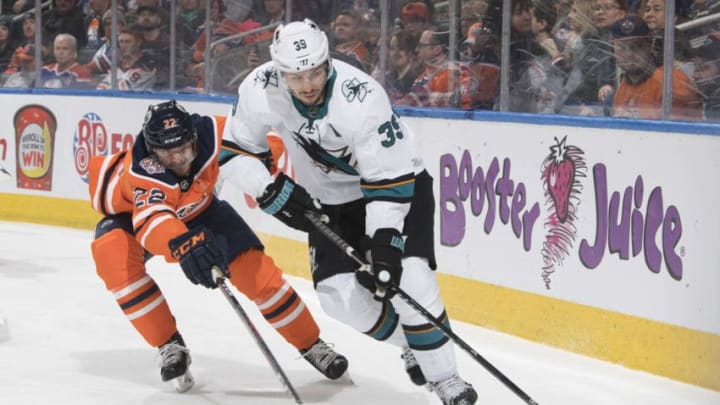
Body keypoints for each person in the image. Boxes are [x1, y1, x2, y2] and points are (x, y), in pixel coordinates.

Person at [220, 19, 478, 405]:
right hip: (333, 201)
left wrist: (385, 243)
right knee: (338, 297)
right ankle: (415, 344)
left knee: (411, 279)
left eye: (315, 73)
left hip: (398, 185)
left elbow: (386, 181)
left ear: (327, 62)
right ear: (279, 72)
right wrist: (269, 189)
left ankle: (445, 378)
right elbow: (235, 151)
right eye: (296, 76)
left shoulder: (361, 97)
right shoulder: (260, 88)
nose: (307, 85)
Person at [87, 100, 349, 391]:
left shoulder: (213, 133)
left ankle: (311, 344)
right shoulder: (142, 169)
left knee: (257, 274)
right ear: (152, 151)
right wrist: (183, 244)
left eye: (184, 150)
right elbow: (151, 222)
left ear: (194, 138)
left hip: (201, 210)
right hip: (132, 218)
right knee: (112, 255)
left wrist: (271, 174)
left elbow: (261, 140)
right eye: (168, 155)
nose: (178, 161)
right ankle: (169, 345)